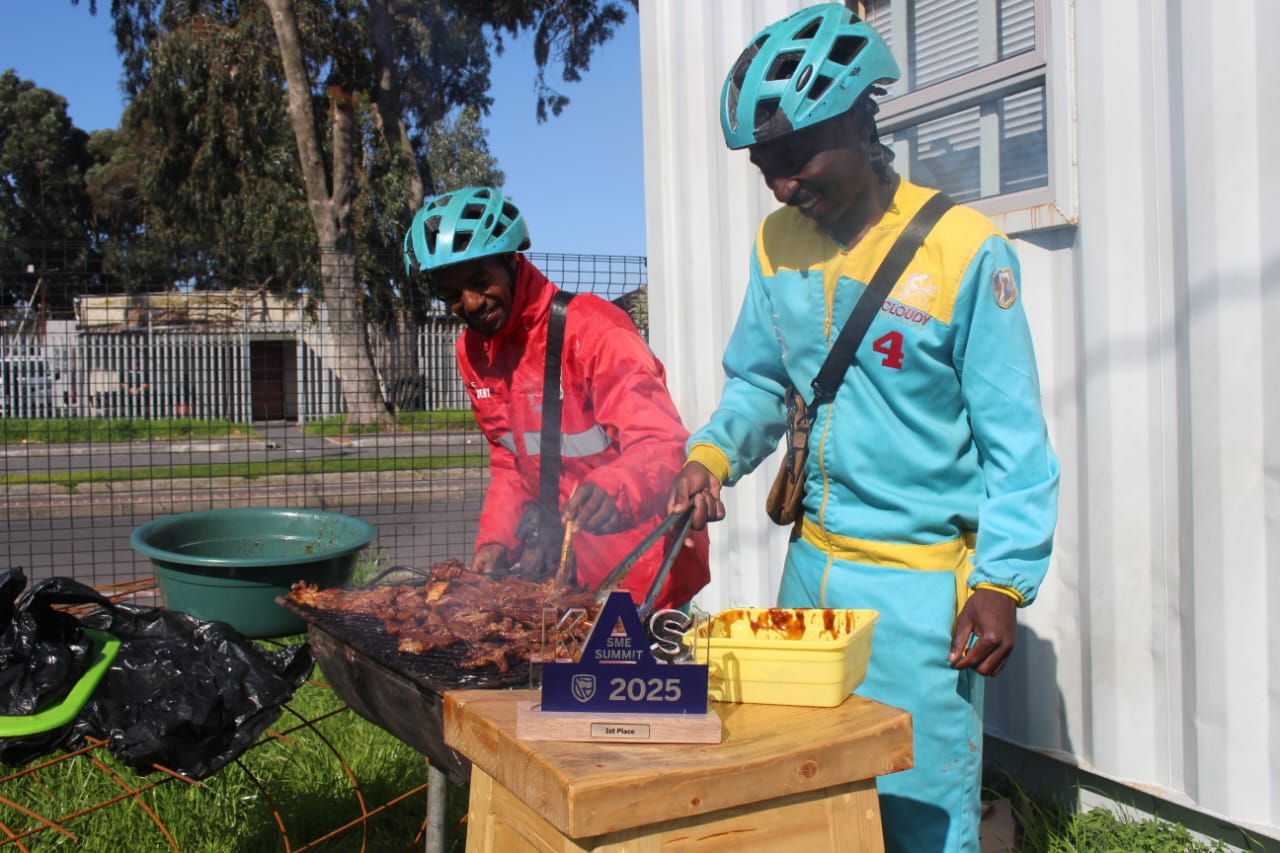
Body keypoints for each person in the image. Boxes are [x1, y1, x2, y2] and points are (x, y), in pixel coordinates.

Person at [665, 5, 1059, 851]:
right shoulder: (776, 244)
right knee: (801, 806)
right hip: (808, 576)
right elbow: (761, 380)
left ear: (858, 122)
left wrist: (1002, 580)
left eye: (795, 158)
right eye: (764, 167)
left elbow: (1016, 443)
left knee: (917, 814)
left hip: (918, 590)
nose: (780, 186)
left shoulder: (965, 250)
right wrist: (712, 455)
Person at [404, 185, 709, 611]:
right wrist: (496, 541)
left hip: (641, 564)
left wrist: (614, 487)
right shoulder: (473, 353)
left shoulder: (594, 330)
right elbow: (510, 459)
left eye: (479, 282)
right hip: (568, 572)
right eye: (451, 295)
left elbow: (662, 443)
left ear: (511, 262)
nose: (469, 303)